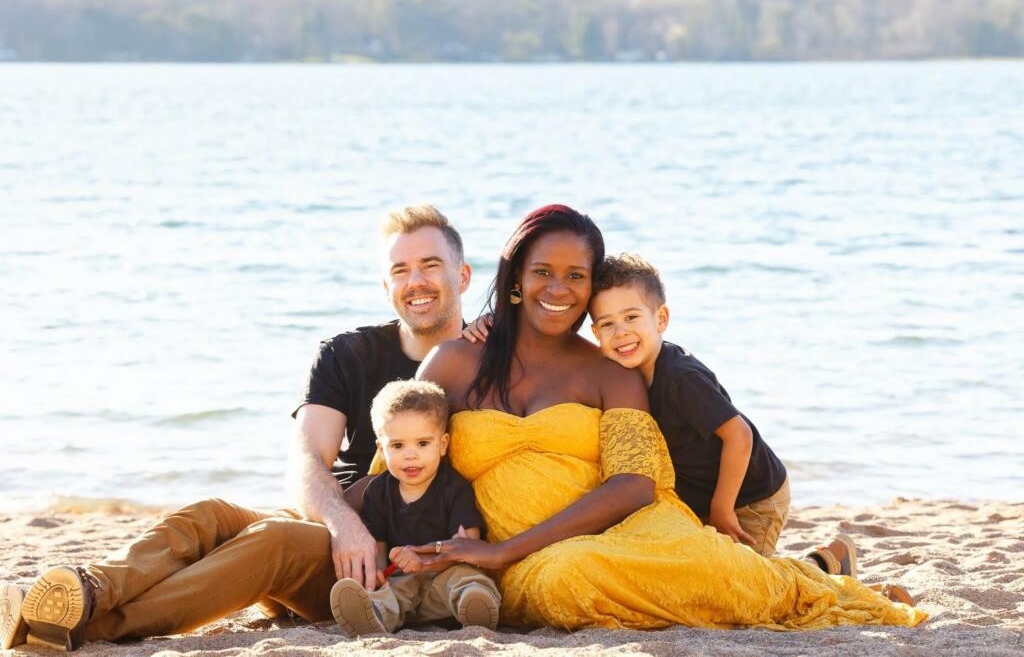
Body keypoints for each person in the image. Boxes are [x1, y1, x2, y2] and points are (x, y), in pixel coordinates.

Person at [410, 204, 926, 630]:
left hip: (623, 536)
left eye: (576, 276)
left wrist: (507, 550)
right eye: (542, 271)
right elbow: (396, 457)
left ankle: (815, 581)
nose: (558, 289)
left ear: (592, 288)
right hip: (526, 562)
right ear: (516, 277)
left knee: (588, 571)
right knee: (566, 579)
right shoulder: (454, 361)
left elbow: (635, 484)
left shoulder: (610, 371)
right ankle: (816, 569)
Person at [0, 205, 472, 651]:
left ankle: (77, 627)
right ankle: (89, 590)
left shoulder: (487, 363)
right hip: (333, 524)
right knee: (209, 515)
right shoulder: (347, 353)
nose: (415, 281)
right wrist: (342, 523)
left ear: (463, 276)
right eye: (400, 270)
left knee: (273, 541)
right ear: (385, 284)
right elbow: (307, 459)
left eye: (430, 265)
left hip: (380, 567)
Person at [587, 253, 789, 555]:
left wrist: (722, 508)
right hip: (702, 499)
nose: (620, 332)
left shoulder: (682, 378)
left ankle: (825, 560)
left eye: (631, 317)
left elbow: (739, 435)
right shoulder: (625, 374)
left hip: (752, 497)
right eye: (607, 323)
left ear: (661, 319)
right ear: (595, 333)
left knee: (750, 574)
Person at [329, 380, 500, 636]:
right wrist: (378, 573)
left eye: (422, 443)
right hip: (404, 585)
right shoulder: (377, 492)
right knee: (390, 590)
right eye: (398, 446)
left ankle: (474, 606)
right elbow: (378, 544)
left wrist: (423, 561)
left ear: (442, 444)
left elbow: (467, 546)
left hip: (443, 583)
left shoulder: (454, 489)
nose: (410, 455)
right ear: (381, 449)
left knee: (467, 578)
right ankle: (375, 614)